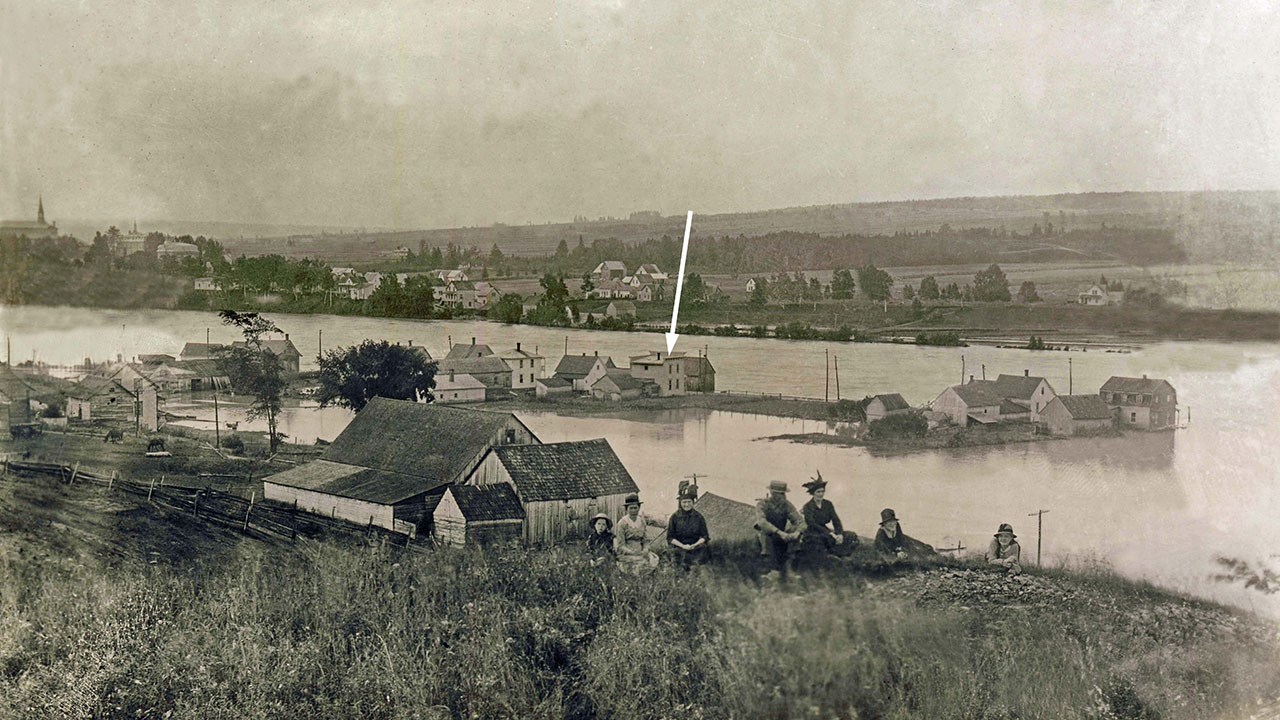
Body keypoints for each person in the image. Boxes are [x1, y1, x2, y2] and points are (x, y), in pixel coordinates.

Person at [755, 480, 806, 579]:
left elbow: (800, 521)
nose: (783, 496)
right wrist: (778, 532)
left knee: (794, 531)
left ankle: (790, 568)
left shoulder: (787, 505)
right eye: (780, 494)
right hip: (768, 533)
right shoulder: (762, 504)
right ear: (772, 493)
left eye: (784, 493)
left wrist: (797, 532)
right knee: (765, 535)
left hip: (782, 534)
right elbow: (762, 522)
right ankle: (772, 570)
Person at [800, 474, 858, 559]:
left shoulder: (828, 504)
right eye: (818, 492)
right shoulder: (808, 506)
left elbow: (836, 520)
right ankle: (831, 555)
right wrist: (830, 533)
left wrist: (839, 534)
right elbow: (811, 523)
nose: (821, 494)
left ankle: (839, 555)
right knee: (823, 540)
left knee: (851, 536)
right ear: (813, 493)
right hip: (813, 532)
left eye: (822, 491)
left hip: (826, 530)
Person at [667, 485, 710, 569]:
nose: (687, 505)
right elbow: (670, 538)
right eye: (684, 502)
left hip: (696, 548)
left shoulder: (699, 517)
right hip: (679, 549)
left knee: (698, 569)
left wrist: (694, 545)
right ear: (680, 503)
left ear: (693, 502)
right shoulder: (675, 517)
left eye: (689, 502)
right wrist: (683, 546)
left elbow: (705, 536)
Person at [615, 493, 656, 574]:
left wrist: (645, 549)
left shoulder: (642, 521)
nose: (633, 510)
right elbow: (621, 545)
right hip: (627, 553)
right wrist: (632, 552)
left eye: (635, 508)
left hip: (641, 552)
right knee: (636, 566)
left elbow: (645, 540)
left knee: (653, 560)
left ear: (639, 508)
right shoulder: (622, 523)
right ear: (627, 509)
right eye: (631, 508)